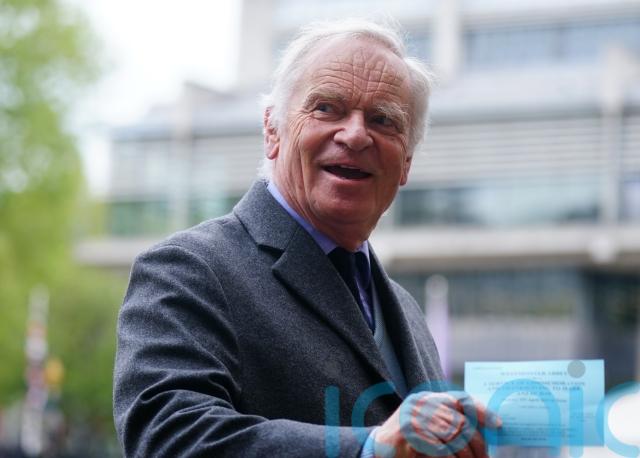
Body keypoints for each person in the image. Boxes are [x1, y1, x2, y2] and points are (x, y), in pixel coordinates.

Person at [113, 18, 499, 457]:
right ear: (272, 130)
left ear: (406, 161)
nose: (356, 134)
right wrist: (369, 448)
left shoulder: (406, 310)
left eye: (383, 119)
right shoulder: (188, 270)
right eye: (326, 108)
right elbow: (169, 438)